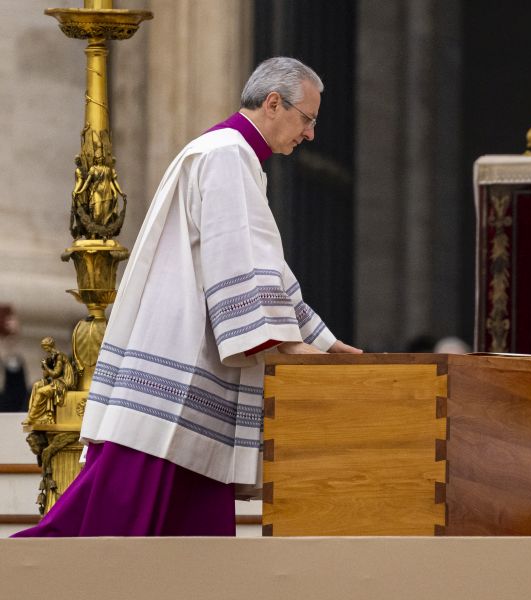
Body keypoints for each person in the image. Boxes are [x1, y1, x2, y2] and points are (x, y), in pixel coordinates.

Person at [13, 57, 361, 537]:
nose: (310, 134)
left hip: (192, 366)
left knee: (178, 533)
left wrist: (317, 338)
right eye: (308, 119)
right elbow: (235, 259)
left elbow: (263, 264)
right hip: (179, 364)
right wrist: (282, 344)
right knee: (107, 532)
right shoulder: (226, 155)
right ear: (274, 103)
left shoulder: (233, 156)